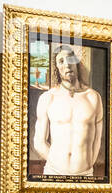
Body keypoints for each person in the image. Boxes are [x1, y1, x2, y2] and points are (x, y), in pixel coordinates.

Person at [34, 46, 104, 177]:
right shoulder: (48, 98)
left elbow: (97, 140)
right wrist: (59, 164)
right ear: (57, 68)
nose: (67, 64)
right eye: (61, 61)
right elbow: (39, 142)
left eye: (70, 59)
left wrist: (88, 165)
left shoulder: (93, 97)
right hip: (54, 172)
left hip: (86, 174)